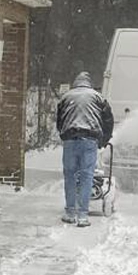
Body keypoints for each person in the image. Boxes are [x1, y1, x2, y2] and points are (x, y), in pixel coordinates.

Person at [56, 72, 114, 227]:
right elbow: (108, 120)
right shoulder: (98, 97)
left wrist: (64, 135)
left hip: (70, 139)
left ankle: (70, 212)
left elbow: (59, 120)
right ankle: (82, 215)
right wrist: (104, 140)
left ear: (76, 83)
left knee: (70, 176)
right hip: (89, 140)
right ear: (89, 84)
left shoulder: (66, 97)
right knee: (87, 176)